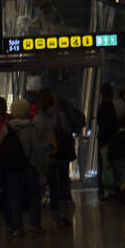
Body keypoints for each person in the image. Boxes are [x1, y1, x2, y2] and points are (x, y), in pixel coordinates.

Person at [0, 99, 43, 237]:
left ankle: (18, 227)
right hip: (29, 167)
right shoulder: (30, 128)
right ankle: (34, 225)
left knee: (14, 197)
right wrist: (42, 168)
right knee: (34, 196)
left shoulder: (7, 128)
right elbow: (37, 150)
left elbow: (0, 148)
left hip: (11, 169)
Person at [46, 97, 77, 227]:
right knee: (63, 181)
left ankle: (55, 215)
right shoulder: (61, 116)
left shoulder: (39, 119)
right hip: (62, 154)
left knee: (53, 184)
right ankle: (64, 213)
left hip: (49, 155)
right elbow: (68, 132)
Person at [96, 84, 118, 198]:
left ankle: (101, 190)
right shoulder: (110, 106)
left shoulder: (101, 106)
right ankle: (110, 189)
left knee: (102, 165)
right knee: (109, 164)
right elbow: (113, 124)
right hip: (109, 141)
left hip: (102, 139)